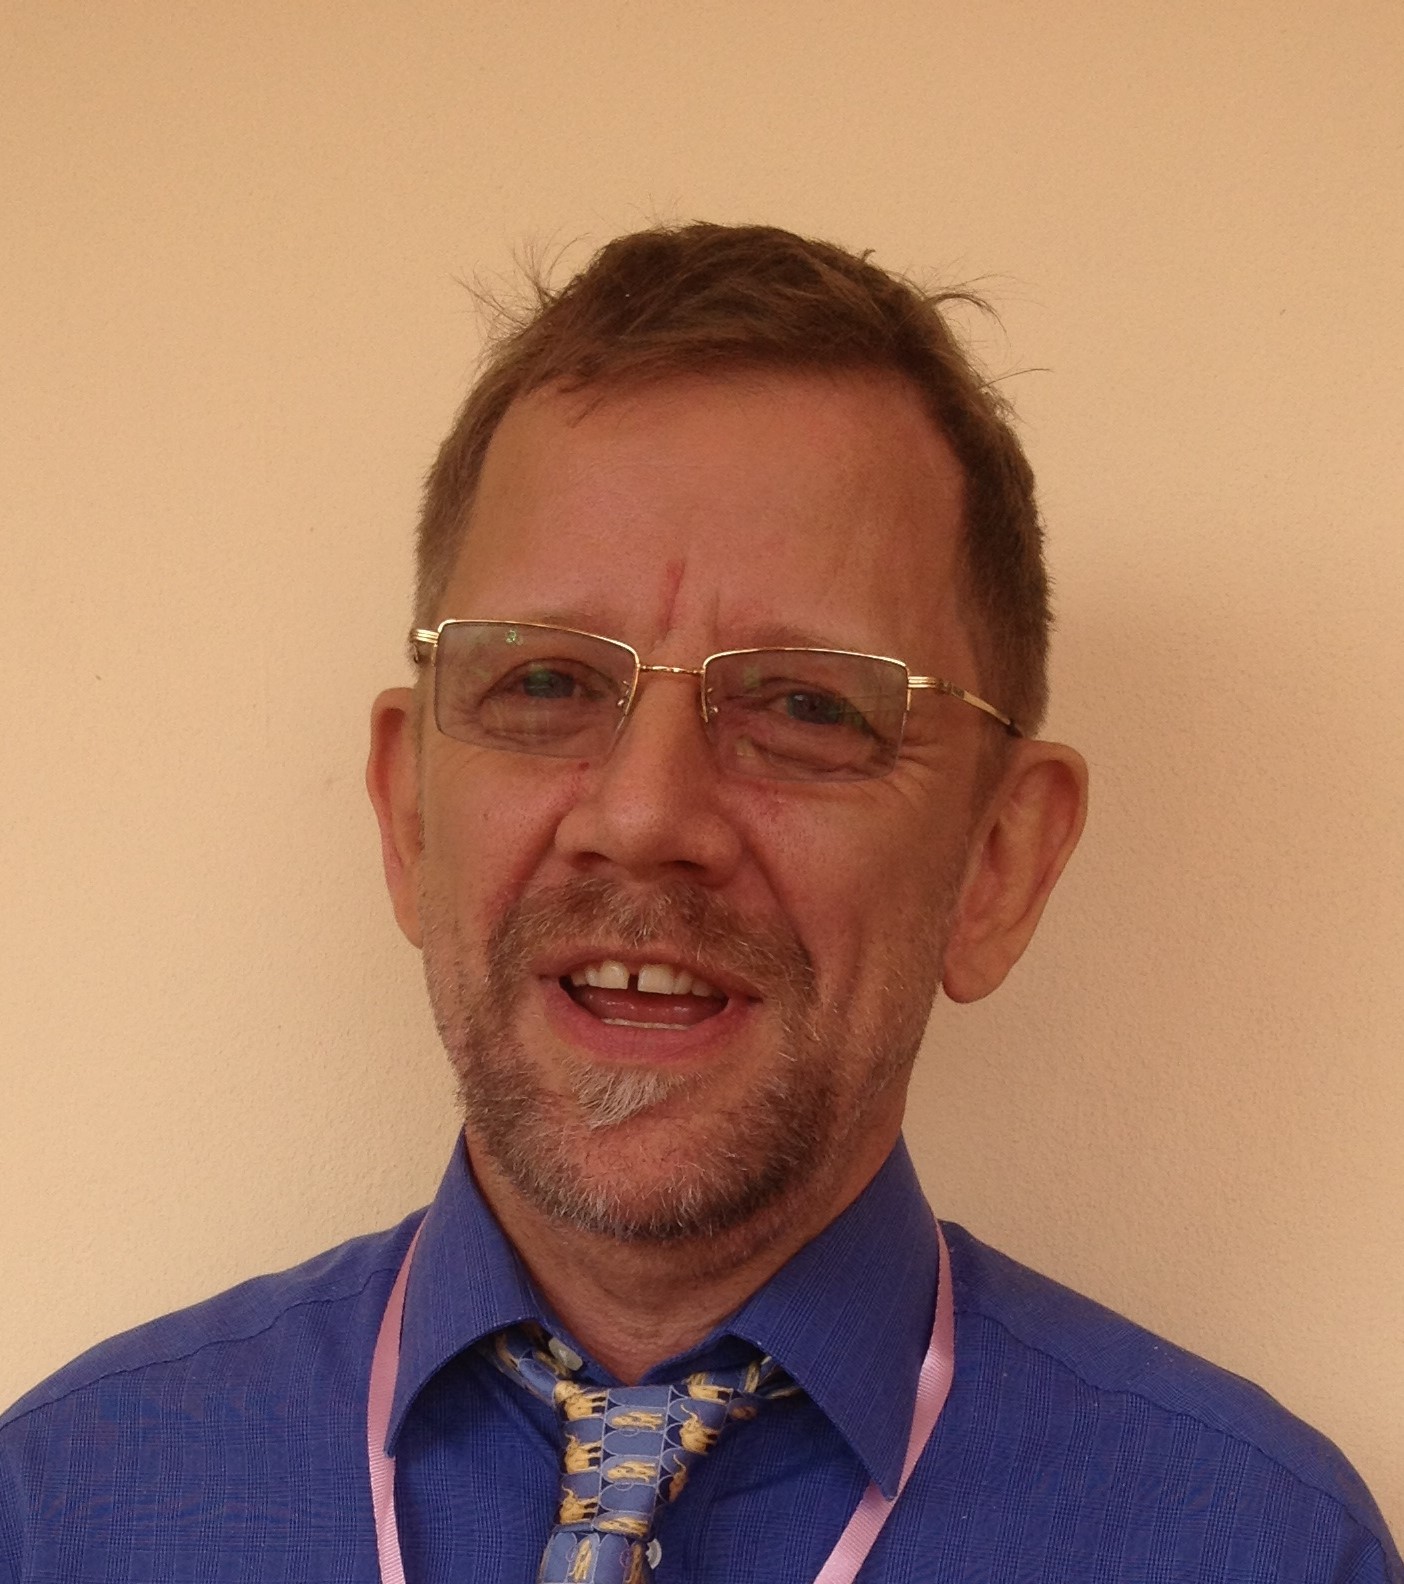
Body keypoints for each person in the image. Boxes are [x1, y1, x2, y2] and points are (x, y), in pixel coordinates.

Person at [2, 222, 1398, 1584]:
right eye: (545, 682)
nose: (643, 817)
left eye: (809, 707)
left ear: (997, 863)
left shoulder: (1261, 1549)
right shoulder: (63, 1511)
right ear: (411, 811)